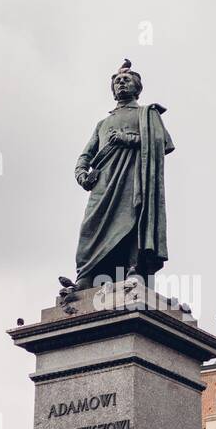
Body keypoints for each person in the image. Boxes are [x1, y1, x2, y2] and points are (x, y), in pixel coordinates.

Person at [70, 59, 174, 290]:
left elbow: (162, 144)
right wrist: (81, 174)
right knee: (90, 227)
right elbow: (85, 155)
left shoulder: (148, 114)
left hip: (133, 177)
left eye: (126, 80)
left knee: (132, 220)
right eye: (117, 81)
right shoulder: (103, 123)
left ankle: (133, 268)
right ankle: (86, 275)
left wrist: (129, 139)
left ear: (137, 87)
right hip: (103, 183)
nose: (121, 84)